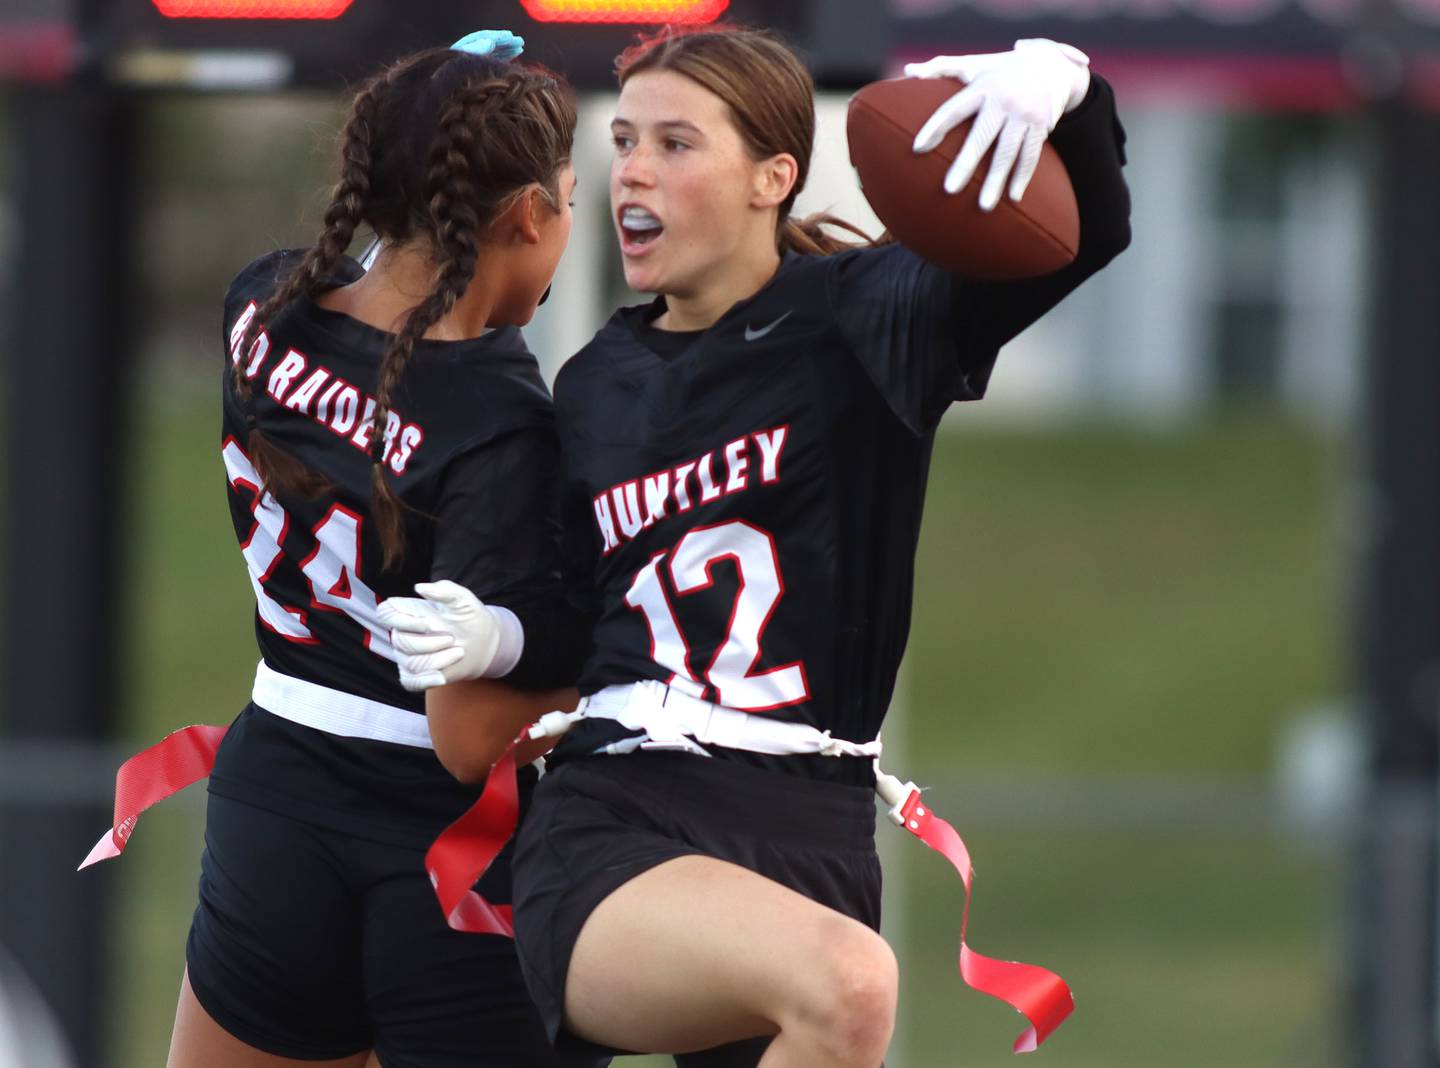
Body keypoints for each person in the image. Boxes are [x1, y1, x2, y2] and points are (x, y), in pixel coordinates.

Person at [388, 24, 1131, 1067]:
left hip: (812, 832)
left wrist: (1068, 86)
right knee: (850, 982)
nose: (633, 168)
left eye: (678, 143)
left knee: (839, 984)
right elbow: (590, 614)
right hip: (620, 814)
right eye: (629, 139)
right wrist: (502, 636)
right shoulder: (599, 378)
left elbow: (1087, 234)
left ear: (772, 176)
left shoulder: (869, 318)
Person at [163, 34, 604, 1068]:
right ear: (529, 216)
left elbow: (367, 356)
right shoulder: (498, 422)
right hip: (436, 844)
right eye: (569, 194)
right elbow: (466, 740)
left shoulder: (260, 305)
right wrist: (617, 676)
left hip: (271, 801)